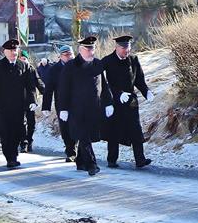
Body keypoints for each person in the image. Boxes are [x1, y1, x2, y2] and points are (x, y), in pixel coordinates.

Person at [57, 36, 113, 176]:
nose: (91, 52)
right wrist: (63, 108)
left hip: (94, 108)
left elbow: (104, 85)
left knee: (89, 136)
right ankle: (92, 165)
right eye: (88, 49)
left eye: (92, 48)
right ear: (80, 50)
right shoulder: (71, 66)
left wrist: (109, 103)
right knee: (84, 136)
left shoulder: (98, 64)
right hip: (76, 109)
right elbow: (63, 88)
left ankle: (80, 162)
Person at [101, 35, 154, 169]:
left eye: (129, 48)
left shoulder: (133, 59)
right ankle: (112, 160)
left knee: (136, 129)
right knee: (114, 131)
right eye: (124, 48)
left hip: (130, 101)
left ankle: (140, 159)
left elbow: (139, 79)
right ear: (117, 47)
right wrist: (117, 94)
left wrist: (146, 91)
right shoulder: (107, 61)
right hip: (114, 101)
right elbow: (103, 83)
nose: (127, 51)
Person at [0, 39, 40, 168]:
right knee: (5, 132)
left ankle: (14, 155)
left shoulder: (24, 66)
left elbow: (30, 85)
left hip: (18, 106)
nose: (13, 52)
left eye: (15, 50)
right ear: (4, 52)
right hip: (2, 107)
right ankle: (9, 157)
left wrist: (32, 100)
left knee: (17, 132)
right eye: (10, 50)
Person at [42, 45, 77, 161]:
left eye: (71, 54)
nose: (69, 57)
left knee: (77, 126)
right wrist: (46, 107)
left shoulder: (79, 65)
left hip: (78, 102)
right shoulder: (54, 70)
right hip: (62, 104)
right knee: (65, 128)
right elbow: (48, 89)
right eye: (66, 55)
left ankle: (76, 148)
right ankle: (70, 151)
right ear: (60, 56)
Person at [18, 51, 45, 153]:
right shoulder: (15, 69)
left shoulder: (31, 69)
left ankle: (29, 140)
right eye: (21, 59)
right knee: (21, 123)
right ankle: (23, 143)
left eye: (24, 59)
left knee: (31, 123)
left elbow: (38, 82)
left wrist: (45, 92)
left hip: (30, 100)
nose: (23, 61)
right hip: (18, 100)